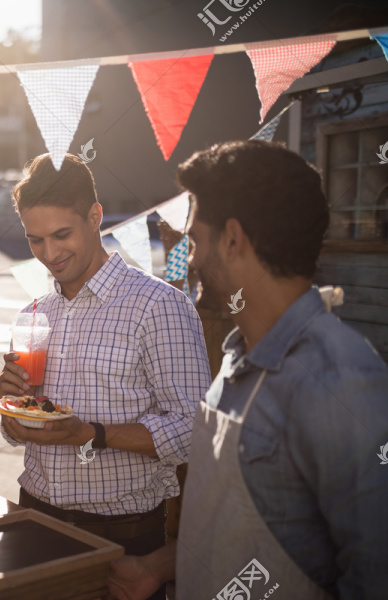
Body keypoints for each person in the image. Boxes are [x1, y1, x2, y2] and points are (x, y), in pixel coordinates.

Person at [103, 140, 388, 600]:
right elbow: (250, 526)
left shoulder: (341, 381)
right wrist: (157, 567)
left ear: (233, 239)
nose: (189, 259)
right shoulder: (238, 357)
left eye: (194, 240)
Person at [0, 153, 211, 600]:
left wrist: (89, 434)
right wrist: (10, 408)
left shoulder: (159, 306)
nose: (49, 254)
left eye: (61, 235)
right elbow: (17, 432)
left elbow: (195, 430)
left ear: (95, 217)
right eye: (35, 240)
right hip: (32, 521)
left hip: (121, 540)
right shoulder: (34, 312)